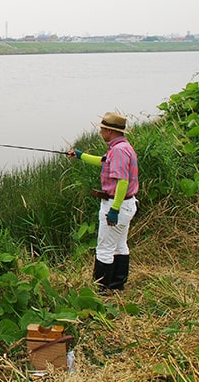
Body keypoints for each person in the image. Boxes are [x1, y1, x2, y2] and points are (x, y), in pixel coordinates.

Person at [67, 112, 139, 292]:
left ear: (110, 131)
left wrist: (114, 209)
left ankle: (101, 290)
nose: (100, 132)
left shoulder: (119, 150)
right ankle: (116, 285)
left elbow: (122, 181)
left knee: (104, 248)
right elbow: (103, 161)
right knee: (119, 245)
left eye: (102, 129)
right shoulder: (122, 147)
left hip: (117, 205)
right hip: (126, 204)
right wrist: (80, 155)